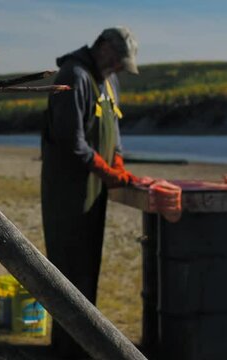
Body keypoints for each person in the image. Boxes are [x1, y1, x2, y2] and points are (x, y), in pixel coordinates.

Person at [41, 26, 139, 358]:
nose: (119, 68)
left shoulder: (109, 82)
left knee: (88, 266)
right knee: (67, 268)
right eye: (117, 60)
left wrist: (119, 163)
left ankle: (83, 344)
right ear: (104, 48)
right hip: (68, 192)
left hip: (94, 191)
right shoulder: (74, 75)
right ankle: (66, 348)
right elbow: (73, 142)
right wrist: (108, 172)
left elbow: (116, 131)